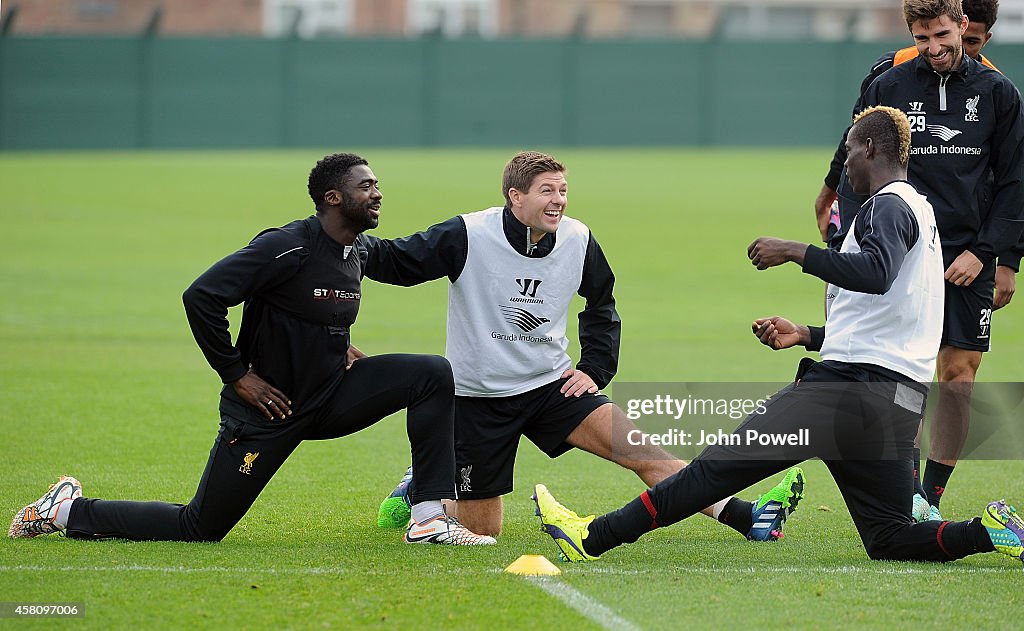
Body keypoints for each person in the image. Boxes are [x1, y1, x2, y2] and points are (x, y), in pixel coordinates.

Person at [532, 106, 1024, 567]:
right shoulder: (921, 212)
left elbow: (875, 273)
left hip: (845, 394)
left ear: (871, 148)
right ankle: (988, 531)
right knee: (890, 537)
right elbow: (889, 315)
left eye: (849, 150)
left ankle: (591, 537)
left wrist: (794, 250)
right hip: (894, 399)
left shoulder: (888, 207)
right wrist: (807, 334)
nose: (845, 163)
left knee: (710, 473)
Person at [8, 153, 495, 546]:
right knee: (199, 527)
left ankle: (429, 516)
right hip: (268, 413)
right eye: (366, 186)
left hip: (329, 397)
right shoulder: (287, 246)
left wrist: (338, 344)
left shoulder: (358, 251)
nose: (378, 192)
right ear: (332, 197)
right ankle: (64, 510)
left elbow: (365, 283)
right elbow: (201, 296)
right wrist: (237, 374)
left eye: (376, 184)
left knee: (431, 374)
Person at [362, 151, 804, 540]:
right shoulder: (467, 234)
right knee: (483, 530)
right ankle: (427, 486)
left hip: (551, 387)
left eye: (563, 190)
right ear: (515, 197)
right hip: (480, 398)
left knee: (645, 453)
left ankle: (749, 518)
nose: (558, 200)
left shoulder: (577, 238)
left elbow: (601, 305)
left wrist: (594, 368)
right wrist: (332, 238)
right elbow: (396, 261)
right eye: (546, 191)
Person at [816, 0, 1024, 522]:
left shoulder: (999, 93)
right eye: (921, 37)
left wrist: (994, 255)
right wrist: (846, 236)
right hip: (899, 253)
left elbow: (1016, 182)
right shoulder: (889, 86)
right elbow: (856, 159)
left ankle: (929, 497)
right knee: (895, 370)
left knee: (958, 373)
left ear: (962, 24)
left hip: (966, 256)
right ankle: (902, 486)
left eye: (942, 36)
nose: (934, 49)